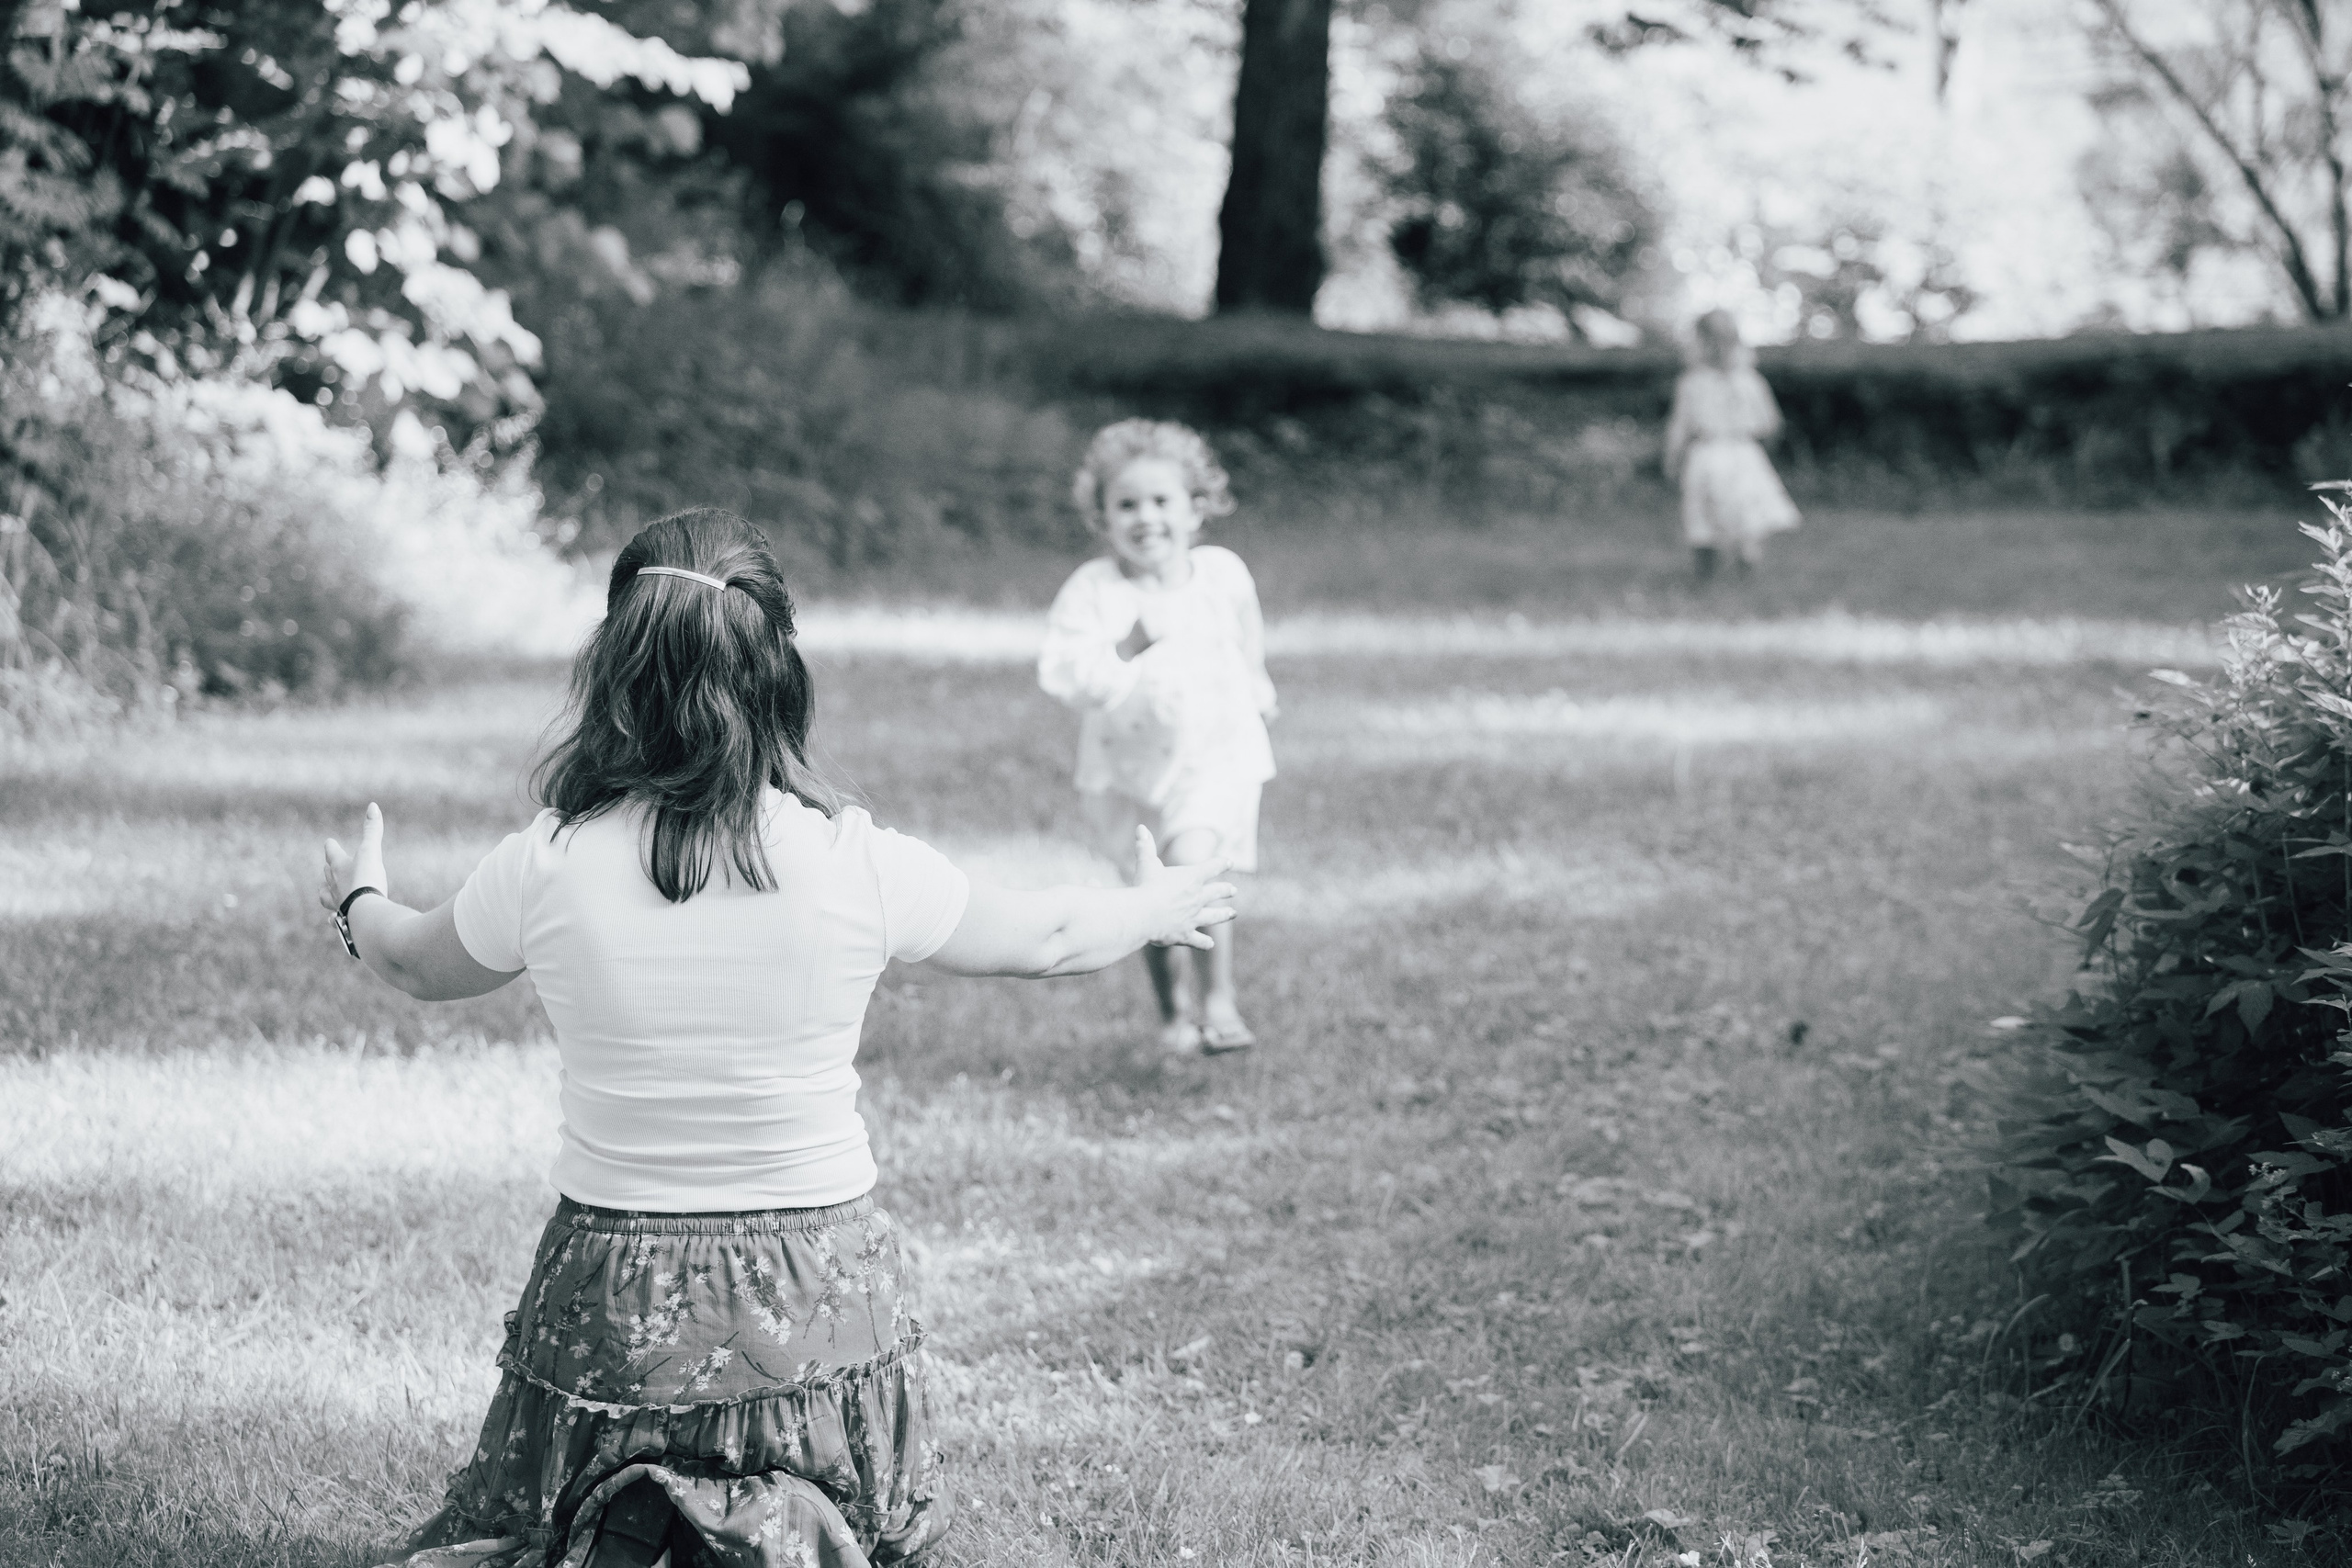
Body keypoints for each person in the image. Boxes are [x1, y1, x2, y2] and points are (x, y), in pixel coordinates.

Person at [332, 508, 1235, 1568]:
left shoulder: (550, 862)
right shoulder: (851, 859)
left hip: (614, 1299)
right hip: (815, 1295)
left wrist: (355, 895)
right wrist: (1157, 901)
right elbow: (1047, 937)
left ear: (613, 669)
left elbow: (412, 963)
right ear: (777, 671)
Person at [1036, 419, 1277, 1056]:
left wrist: (1257, 683)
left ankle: (1219, 996)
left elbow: (1245, 631)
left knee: (1195, 864)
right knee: (1153, 896)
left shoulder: (1221, 574)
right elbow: (1066, 675)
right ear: (1102, 517)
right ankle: (1173, 1012)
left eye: (1162, 501)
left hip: (1214, 758)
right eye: (1127, 504)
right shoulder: (1094, 592)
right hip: (1130, 773)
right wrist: (1127, 646)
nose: (1146, 517)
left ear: (1196, 509)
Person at [1662, 308, 1801, 582]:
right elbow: (1771, 423)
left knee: (1703, 516)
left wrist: (1671, 459)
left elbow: (1679, 427)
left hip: (1707, 454)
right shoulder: (1750, 380)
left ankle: (1705, 576)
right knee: (1745, 516)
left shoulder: (1692, 383)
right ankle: (1745, 570)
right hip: (1744, 453)